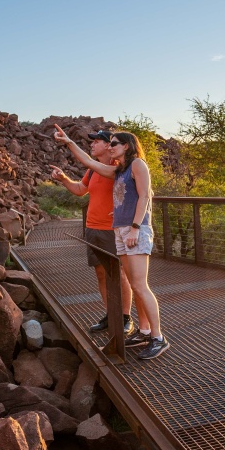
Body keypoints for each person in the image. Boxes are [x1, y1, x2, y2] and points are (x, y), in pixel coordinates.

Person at [54, 125, 168, 359]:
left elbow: (145, 196)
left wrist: (135, 228)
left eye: (114, 143)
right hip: (120, 231)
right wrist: (68, 142)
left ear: (126, 146)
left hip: (135, 230)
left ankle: (158, 337)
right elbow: (88, 162)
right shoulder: (117, 171)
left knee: (139, 285)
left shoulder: (137, 164)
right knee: (133, 283)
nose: (110, 146)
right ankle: (145, 331)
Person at [48, 129, 142, 339]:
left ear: (110, 146)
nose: (93, 144)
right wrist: (63, 179)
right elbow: (81, 189)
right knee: (101, 272)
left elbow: (139, 194)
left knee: (119, 274)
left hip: (113, 230)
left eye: (97, 141)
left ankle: (125, 318)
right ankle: (111, 315)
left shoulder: (119, 169)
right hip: (93, 227)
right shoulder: (92, 171)